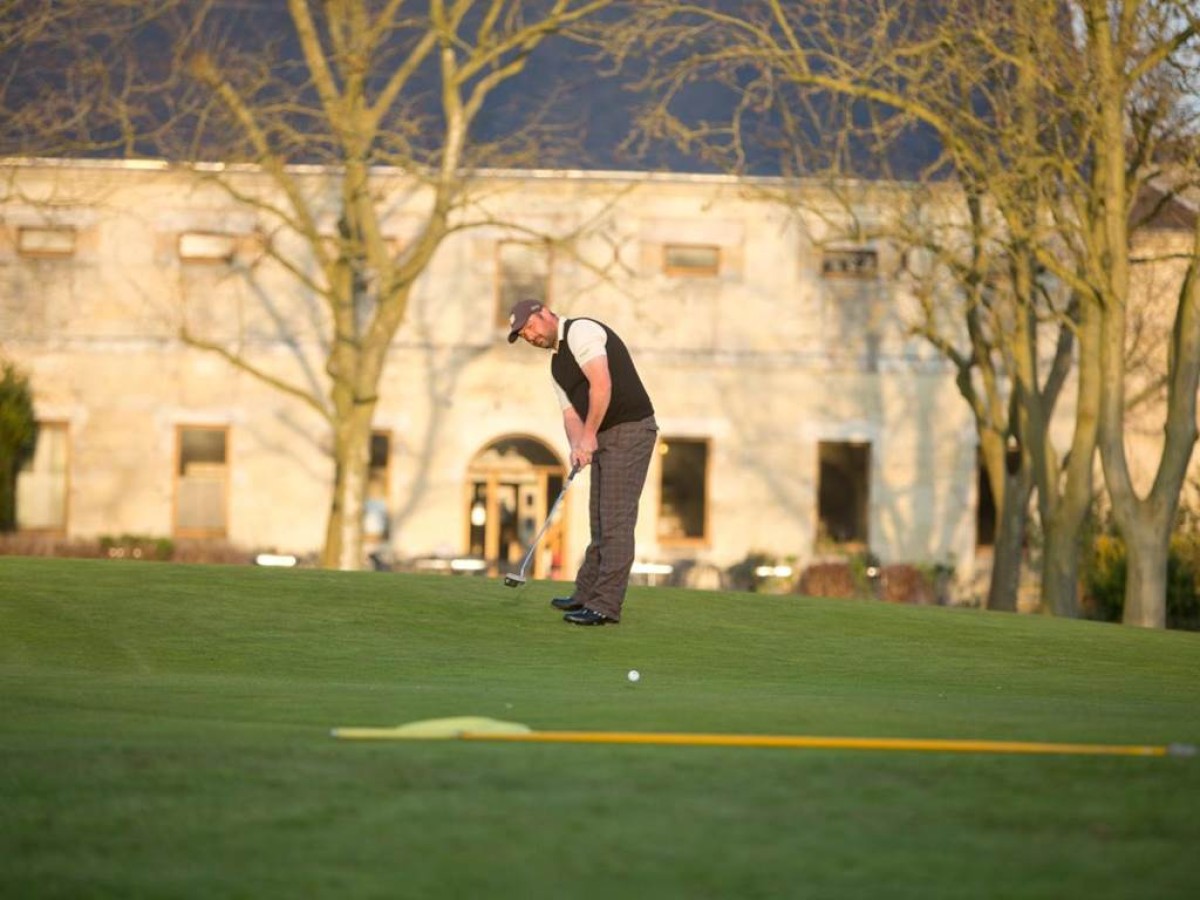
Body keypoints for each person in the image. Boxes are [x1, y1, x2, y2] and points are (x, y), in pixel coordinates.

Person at [508, 299, 658, 625]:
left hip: (631, 429)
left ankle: (605, 606)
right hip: (605, 433)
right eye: (523, 335)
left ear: (544, 312)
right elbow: (570, 415)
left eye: (530, 327)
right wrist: (578, 445)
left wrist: (589, 435)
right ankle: (585, 594)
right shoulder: (555, 366)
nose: (530, 336)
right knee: (599, 522)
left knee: (615, 521)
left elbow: (602, 385)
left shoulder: (582, 331)